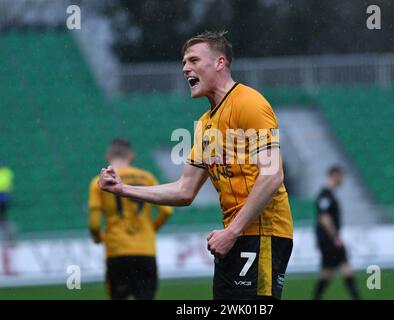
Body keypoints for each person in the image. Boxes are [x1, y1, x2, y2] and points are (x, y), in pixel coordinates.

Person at [98, 31, 293, 300]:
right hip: (234, 236)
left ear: (219, 63)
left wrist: (232, 231)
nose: (185, 68)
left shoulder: (249, 102)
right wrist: (123, 189)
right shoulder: (205, 125)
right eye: (183, 63)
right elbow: (184, 190)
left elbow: (272, 175)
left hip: (262, 233)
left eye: (192, 60)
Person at [88, 139, 173, 300]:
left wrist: (98, 238)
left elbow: (93, 223)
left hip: (117, 250)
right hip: (145, 251)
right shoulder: (147, 178)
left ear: (108, 156)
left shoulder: (98, 183)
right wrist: (151, 228)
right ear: (131, 156)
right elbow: (167, 211)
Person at [312, 165, 360, 300]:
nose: (342, 179)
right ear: (335, 175)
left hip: (328, 239)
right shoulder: (325, 195)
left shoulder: (329, 194)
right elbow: (324, 217)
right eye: (341, 176)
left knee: (328, 272)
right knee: (345, 268)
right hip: (328, 239)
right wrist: (335, 237)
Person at [0, 162, 14, 238]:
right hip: (3, 197)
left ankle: (8, 236)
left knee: (3, 217)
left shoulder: (6, 172)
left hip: (2, 197)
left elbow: (4, 184)